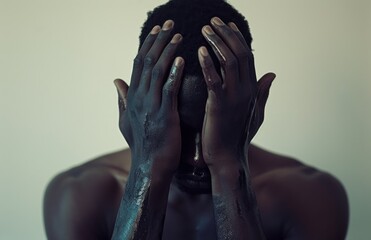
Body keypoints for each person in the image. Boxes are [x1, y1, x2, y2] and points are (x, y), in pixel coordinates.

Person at [43, 0, 349, 239]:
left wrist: (229, 166)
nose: (198, 158)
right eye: (180, 130)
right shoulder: (79, 196)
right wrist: (149, 169)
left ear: (256, 107)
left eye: (217, 129)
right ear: (130, 110)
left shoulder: (311, 197)